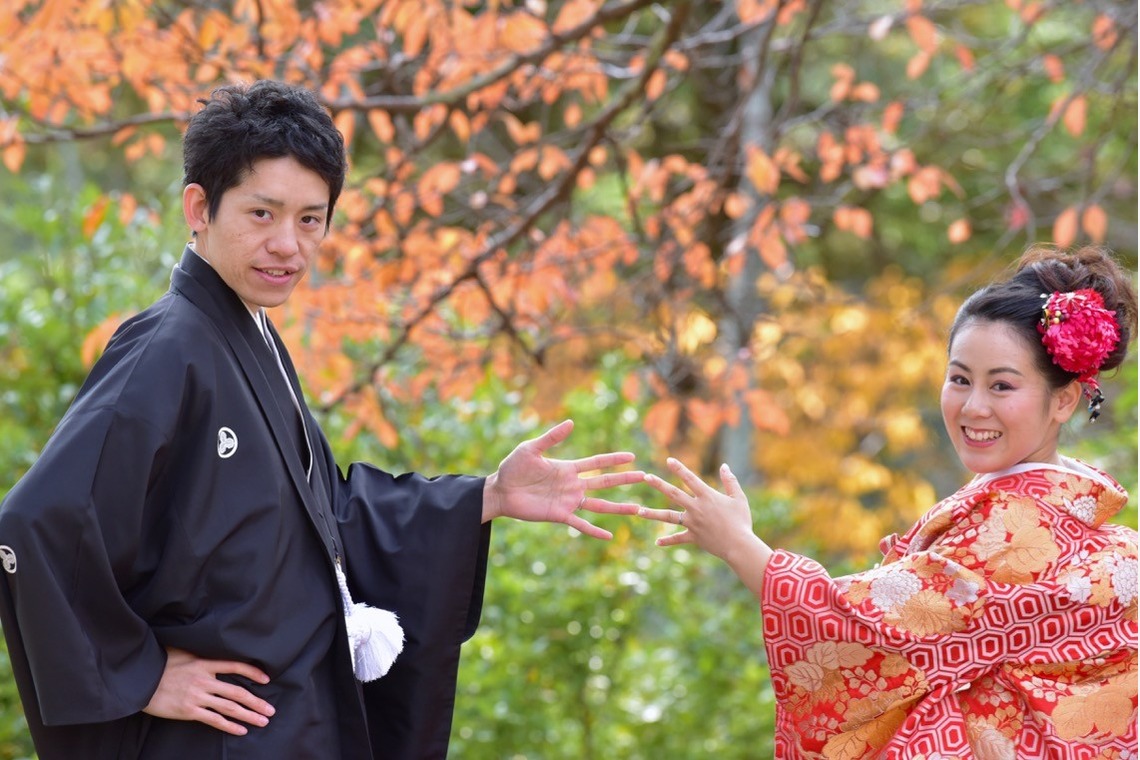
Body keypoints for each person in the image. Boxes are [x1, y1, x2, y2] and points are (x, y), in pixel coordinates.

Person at [0, 80, 643, 760]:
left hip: (293, 718)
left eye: (311, 219)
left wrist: (486, 497)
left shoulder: (253, 336)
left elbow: (321, 517)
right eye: (262, 213)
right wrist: (141, 673)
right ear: (200, 207)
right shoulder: (167, 349)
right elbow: (40, 524)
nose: (288, 244)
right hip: (221, 736)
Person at [638, 245, 1138, 757]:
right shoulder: (1069, 512)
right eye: (959, 378)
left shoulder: (1015, 527)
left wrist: (738, 546)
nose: (973, 406)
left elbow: (867, 633)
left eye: (1002, 385)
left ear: (1064, 399)